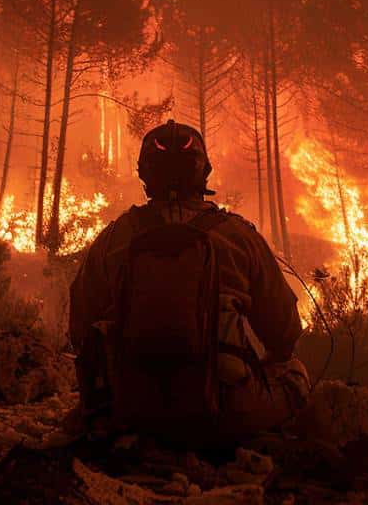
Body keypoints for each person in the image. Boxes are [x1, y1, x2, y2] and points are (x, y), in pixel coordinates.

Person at [68, 119, 310, 443]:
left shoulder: (117, 236)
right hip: (224, 415)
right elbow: (285, 334)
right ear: (203, 172)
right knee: (295, 374)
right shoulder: (238, 235)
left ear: (145, 174)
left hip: (129, 411)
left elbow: (80, 328)